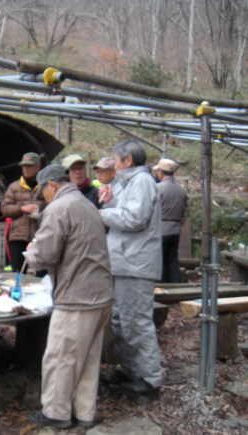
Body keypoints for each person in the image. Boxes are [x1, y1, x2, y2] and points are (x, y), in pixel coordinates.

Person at [25, 164, 114, 429]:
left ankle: (56, 412)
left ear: (52, 185)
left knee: (60, 356)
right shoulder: (86, 203)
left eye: (44, 192)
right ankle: (84, 412)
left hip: (77, 294)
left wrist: (31, 252)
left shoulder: (59, 208)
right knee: (87, 358)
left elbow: (45, 255)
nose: (44, 198)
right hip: (101, 292)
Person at [98, 139, 163, 398]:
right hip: (124, 262)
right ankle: (129, 370)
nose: (113, 166)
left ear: (128, 161)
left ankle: (149, 381)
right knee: (120, 320)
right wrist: (109, 203)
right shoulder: (129, 183)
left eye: (115, 160)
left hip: (136, 264)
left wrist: (98, 214)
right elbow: (124, 212)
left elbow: (135, 218)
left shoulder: (142, 182)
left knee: (136, 322)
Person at [0, 152, 45, 272]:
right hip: (18, 236)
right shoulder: (14, 187)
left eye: (29, 165)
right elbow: (4, 209)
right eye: (24, 166)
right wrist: (21, 209)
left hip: (40, 235)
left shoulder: (45, 187)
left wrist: (41, 211)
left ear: (38, 167)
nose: (26, 168)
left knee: (42, 271)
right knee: (18, 273)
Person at [153, 158, 188, 283]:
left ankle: (162, 289)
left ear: (161, 172)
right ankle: (177, 288)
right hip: (176, 230)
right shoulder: (181, 189)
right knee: (172, 260)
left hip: (160, 229)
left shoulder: (157, 188)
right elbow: (185, 210)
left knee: (159, 262)